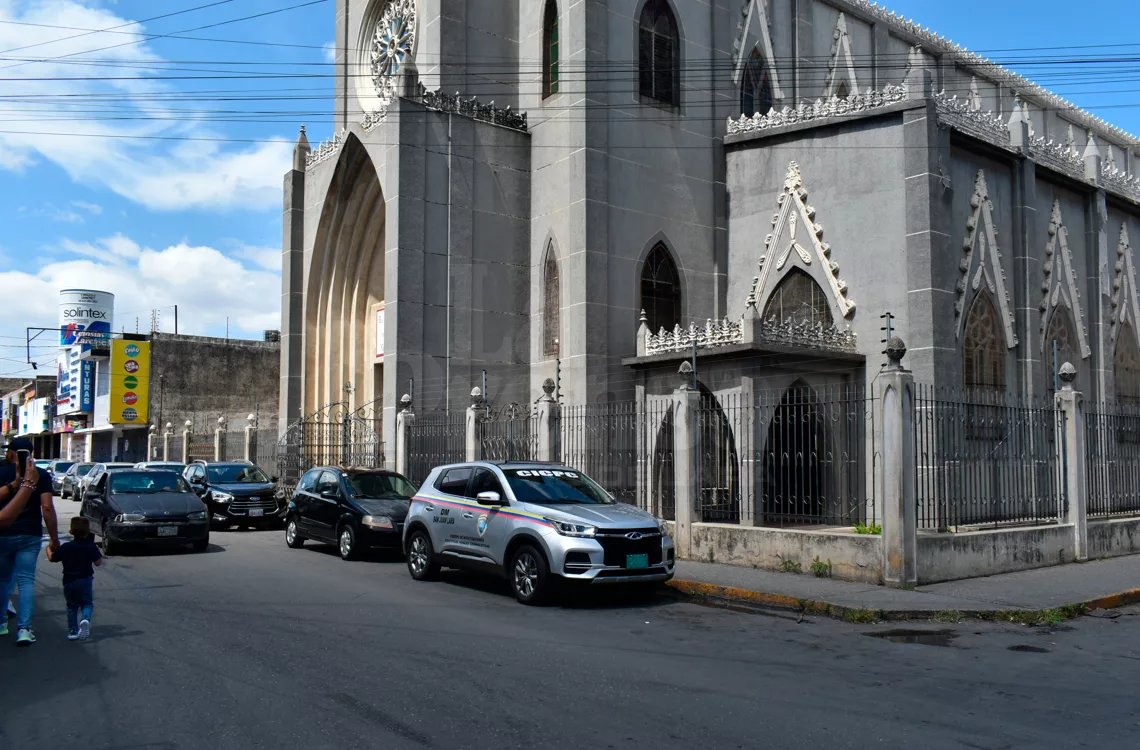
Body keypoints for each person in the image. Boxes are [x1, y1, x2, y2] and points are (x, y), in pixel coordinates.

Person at [0, 438, 60, 645]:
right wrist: (54, 538)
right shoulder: (41, 475)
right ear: (31, 454)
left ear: (11, 453)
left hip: (3, 534)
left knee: (2, 580)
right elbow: (47, 508)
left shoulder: (1, 473)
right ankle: (24, 629)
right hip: (30, 535)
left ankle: (1, 624)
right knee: (26, 581)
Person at [46, 516, 102, 641]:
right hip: (85, 579)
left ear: (71, 532)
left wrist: (48, 548)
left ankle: (73, 631)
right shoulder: (91, 546)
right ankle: (85, 619)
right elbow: (98, 562)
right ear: (88, 532)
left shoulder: (66, 547)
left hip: (69, 580)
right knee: (87, 603)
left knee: (71, 606)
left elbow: (52, 558)